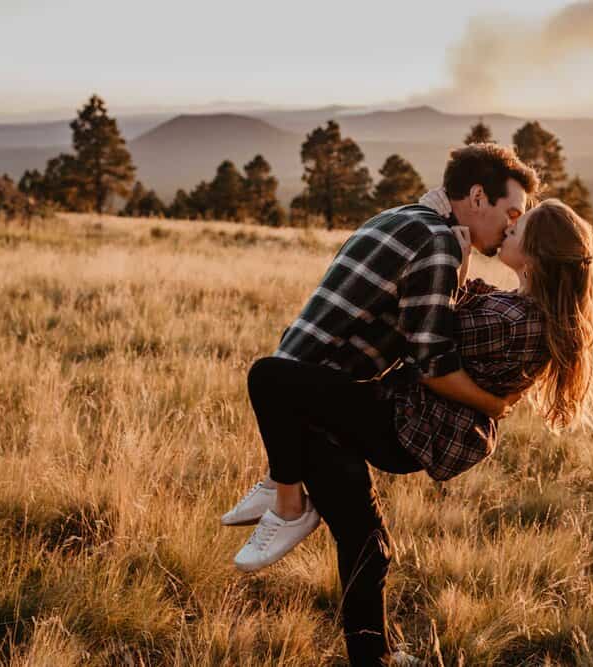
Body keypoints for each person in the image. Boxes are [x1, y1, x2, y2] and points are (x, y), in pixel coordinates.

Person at [224, 143, 543, 665]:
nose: (512, 228)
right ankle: (287, 503)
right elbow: (432, 360)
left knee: (365, 539)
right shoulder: (439, 243)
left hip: (313, 387)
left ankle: (372, 653)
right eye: (510, 213)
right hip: (319, 400)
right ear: (477, 195)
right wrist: (491, 403)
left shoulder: (407, 217)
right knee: (363, 540)